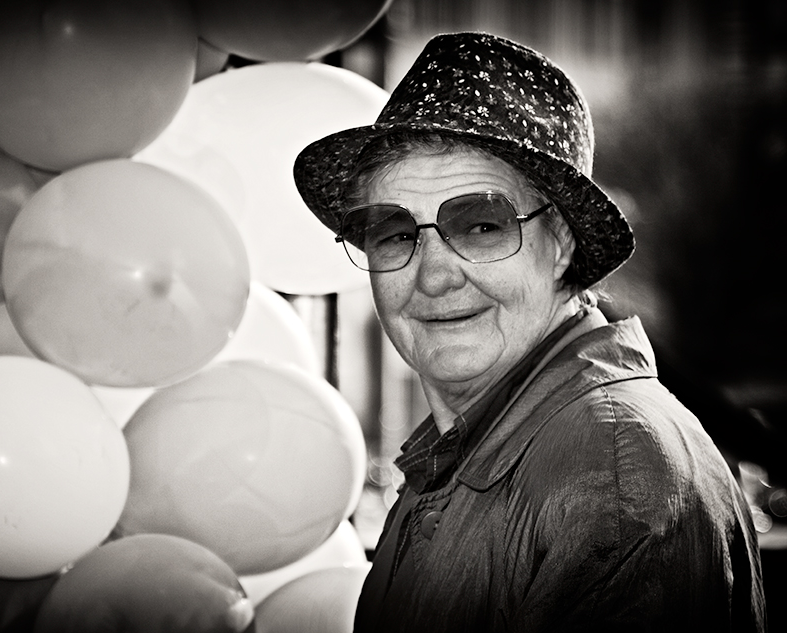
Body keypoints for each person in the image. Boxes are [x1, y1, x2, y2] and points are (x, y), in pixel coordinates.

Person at [293, 32, 766, 632]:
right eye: (392, 233)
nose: (434, 276)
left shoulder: (612, 471)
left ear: (562, 243)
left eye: (482, 226)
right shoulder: (472, 449)